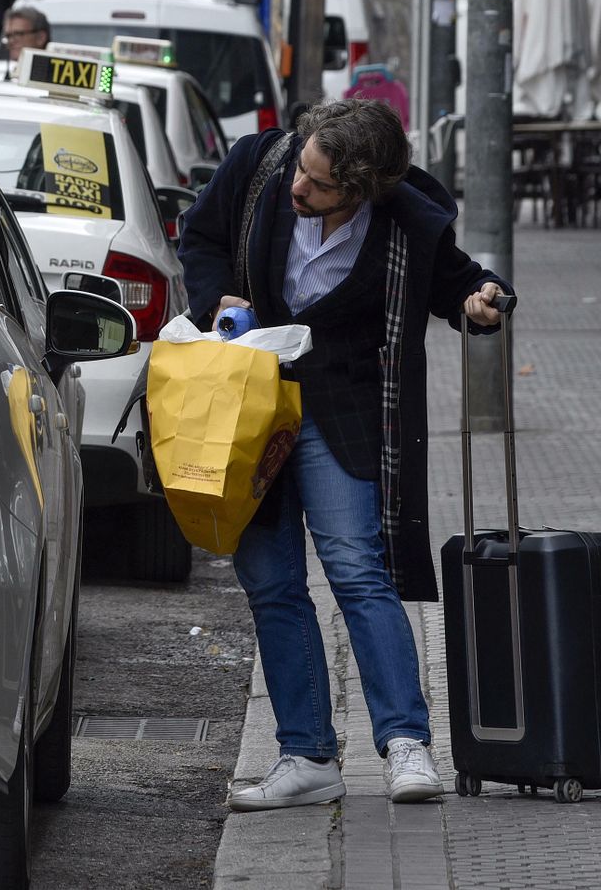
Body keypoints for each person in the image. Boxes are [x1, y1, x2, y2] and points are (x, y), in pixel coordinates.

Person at [175, 99, 511, 811]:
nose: (300, 187)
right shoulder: (259, 164)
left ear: (362, 189)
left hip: (344, 408)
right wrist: (215, 299)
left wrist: (482, 299)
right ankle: (306, 755)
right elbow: (199, 236)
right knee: (269, 577)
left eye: (320, 185)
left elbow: (455, 281)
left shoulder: (404, 218)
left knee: (357, 567)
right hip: (249, 400)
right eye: (304, 168)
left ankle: (405, 742)